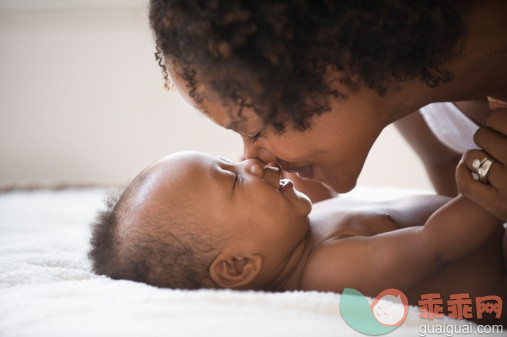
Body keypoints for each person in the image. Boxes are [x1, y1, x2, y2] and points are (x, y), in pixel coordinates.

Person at [148, 0, 507, 220]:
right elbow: (477, 241)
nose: (255, 161)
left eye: (256, 130)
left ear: (326, 56)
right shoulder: (409, 91)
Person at [88, 151, 506, 326]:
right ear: (238, 266)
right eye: (234, 180)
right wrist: (483, 196)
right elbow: (434, 246)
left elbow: (316, 183)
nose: (249, 163)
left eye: (233, 162)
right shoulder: (327, 269)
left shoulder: (297, 230)